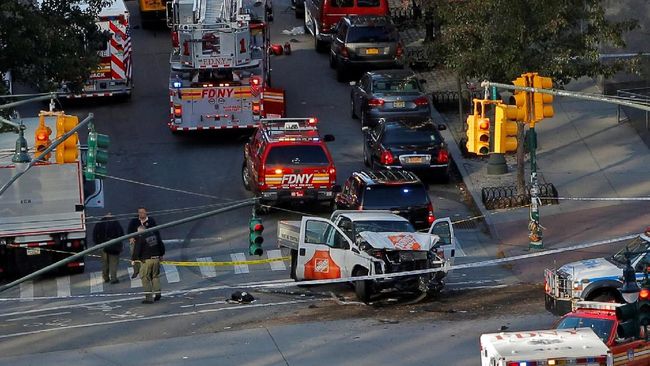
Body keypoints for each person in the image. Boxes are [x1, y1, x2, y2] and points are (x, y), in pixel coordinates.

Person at [132, 225, 165, 304]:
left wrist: (134, 259)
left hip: (146, 260)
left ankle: (149, 298)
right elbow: (161, 246)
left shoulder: (141, 238)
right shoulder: (154, 236)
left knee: (145, 277)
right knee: (155, 276)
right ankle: (157, 293)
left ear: (140, 231)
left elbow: (137, 250)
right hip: (156, 259)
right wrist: (161, 255)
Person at [127, 207, 162, 279]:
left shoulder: (151, 220)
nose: (141, 214)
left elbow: (156, 232)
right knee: (135, 254)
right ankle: (136, 270)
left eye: (143, 212)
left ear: (146, 212)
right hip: (136, 241)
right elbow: (129, 231)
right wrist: (131, 237)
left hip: (148, 241)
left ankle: (149, 271)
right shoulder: (134, 221)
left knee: (147, 256)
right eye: (139, 212)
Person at [92, 213, 124, 284]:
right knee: (113, 263)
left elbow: (94, 234)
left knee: (105, 263)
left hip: (102, 246)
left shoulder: (99, 223)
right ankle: (113, 278)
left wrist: (98, 244)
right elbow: (121, 234)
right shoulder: (116, 223)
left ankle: (105, 277)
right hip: (114, 246)